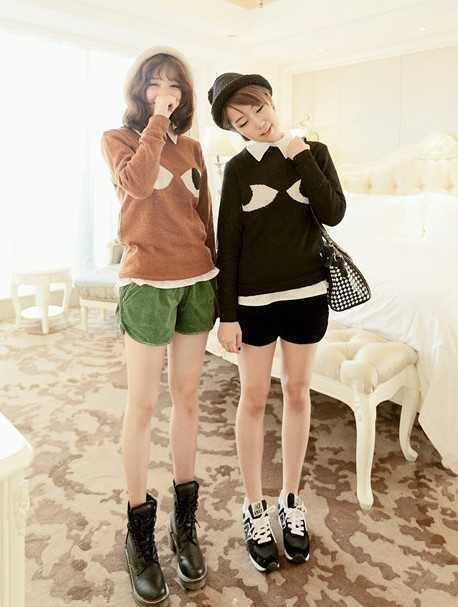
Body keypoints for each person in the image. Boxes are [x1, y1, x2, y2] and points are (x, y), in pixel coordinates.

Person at [208, 72, 346, 572]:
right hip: (254, 302)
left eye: (258, 110)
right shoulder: (238, 169)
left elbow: (332, 211)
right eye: (241, 122)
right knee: (252, 398)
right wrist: (226, 315)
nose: (256, 124)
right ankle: (254, 506)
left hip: (307, 295)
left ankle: (290, 498)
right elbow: (228, 243)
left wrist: (298, 153)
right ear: (234, 130)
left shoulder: (315, 152)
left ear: (270, 101)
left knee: (297, 392)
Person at [102, 47, 217, 605]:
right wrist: (155, 123)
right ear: (140, 89)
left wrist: (223, 292)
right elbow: (140, 185)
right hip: (146, 283)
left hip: (197, 281)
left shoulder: (193, 149)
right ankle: (139, 534)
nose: (165, 91)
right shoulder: (118, 140)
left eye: (174, 84)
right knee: (143, 405)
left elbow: (205, 220)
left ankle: (183, 523)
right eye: (155, 83)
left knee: (188, 399)